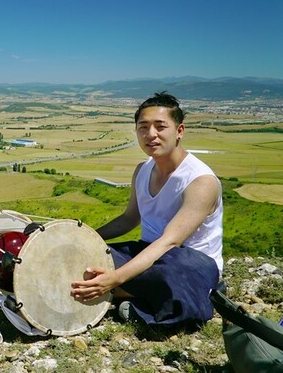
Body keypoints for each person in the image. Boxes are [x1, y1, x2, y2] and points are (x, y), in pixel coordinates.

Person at [71, 92, 223, 327]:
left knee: (170, 277)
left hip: (190, 263)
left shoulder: (200, 181)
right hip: (147, 251)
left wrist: (115, 277)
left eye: (160, 127)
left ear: (179, 131)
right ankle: (132, 295)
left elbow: (170, 241)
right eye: (143, 127)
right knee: (88, 256)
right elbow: (129, 219)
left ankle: (120, 291)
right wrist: (81, 236)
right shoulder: (142, 171)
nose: (151, 134)